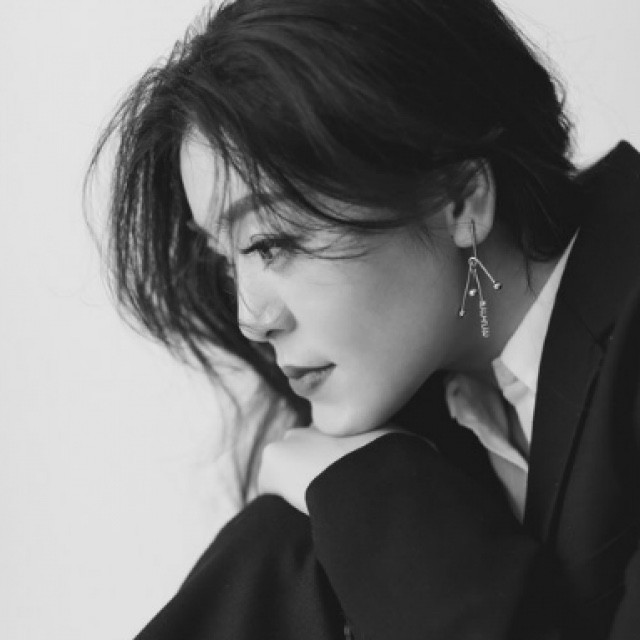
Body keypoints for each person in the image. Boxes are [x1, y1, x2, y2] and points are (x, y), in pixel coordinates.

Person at [87, 0, 640, 638]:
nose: (250, 319)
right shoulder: (432, 413)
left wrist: (368, 494)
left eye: (270, 242)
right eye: (226, 259)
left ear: (461, 199)